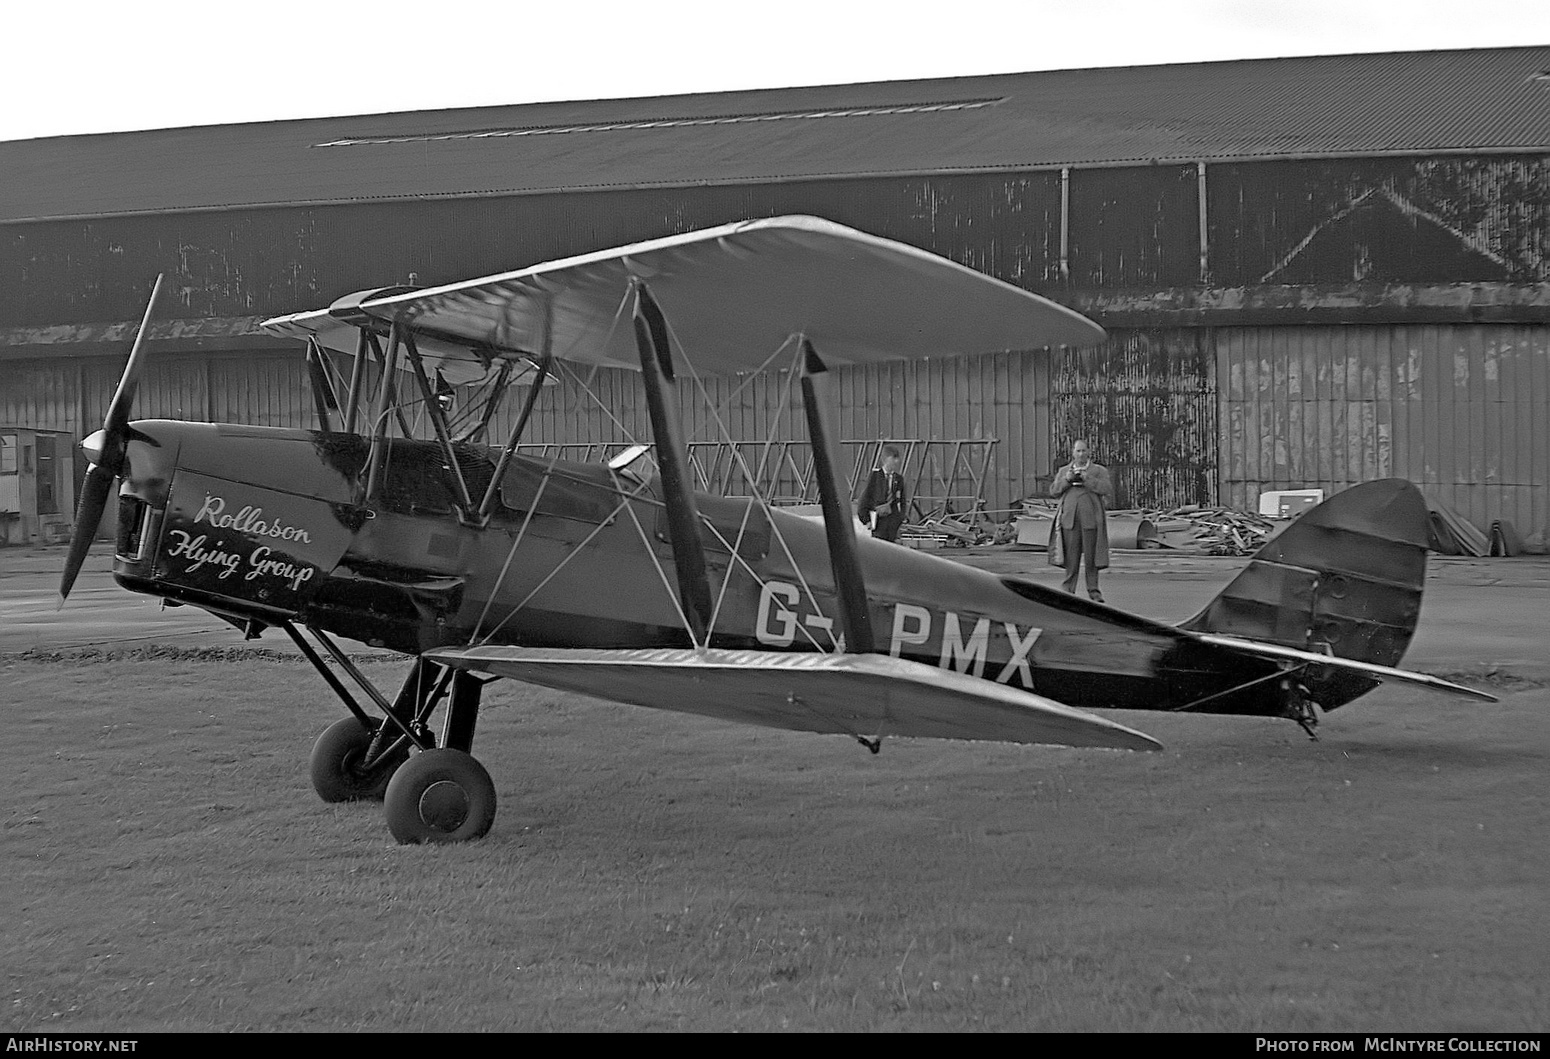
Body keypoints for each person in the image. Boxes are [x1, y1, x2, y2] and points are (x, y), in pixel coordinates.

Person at [1049, 439, 1113, 601]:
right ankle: (1068, 589)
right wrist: (1067, 480)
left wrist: (1087, 479)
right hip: (1069, 521)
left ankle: (1093, 590)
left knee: (1092, 557)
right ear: (1073, 453)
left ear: (1089, 452)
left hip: (1090, 520)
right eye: (1078, 451)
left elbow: (1106, 489)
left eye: (1084, 451)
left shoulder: (1098, 471)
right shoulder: (1064, 470)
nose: (1081, 454)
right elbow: (1054, 491)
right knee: (1071, 556)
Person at [857, 445, 909, 543]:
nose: (896, 461)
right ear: (886, 459)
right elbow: (865, 499)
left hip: (893, 524)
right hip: (879, 523)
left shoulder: (899, 479)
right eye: (894, 458)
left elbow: (902, 501)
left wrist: (900, 517)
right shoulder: (874, 477)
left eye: (897, 458)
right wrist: (867, 520)